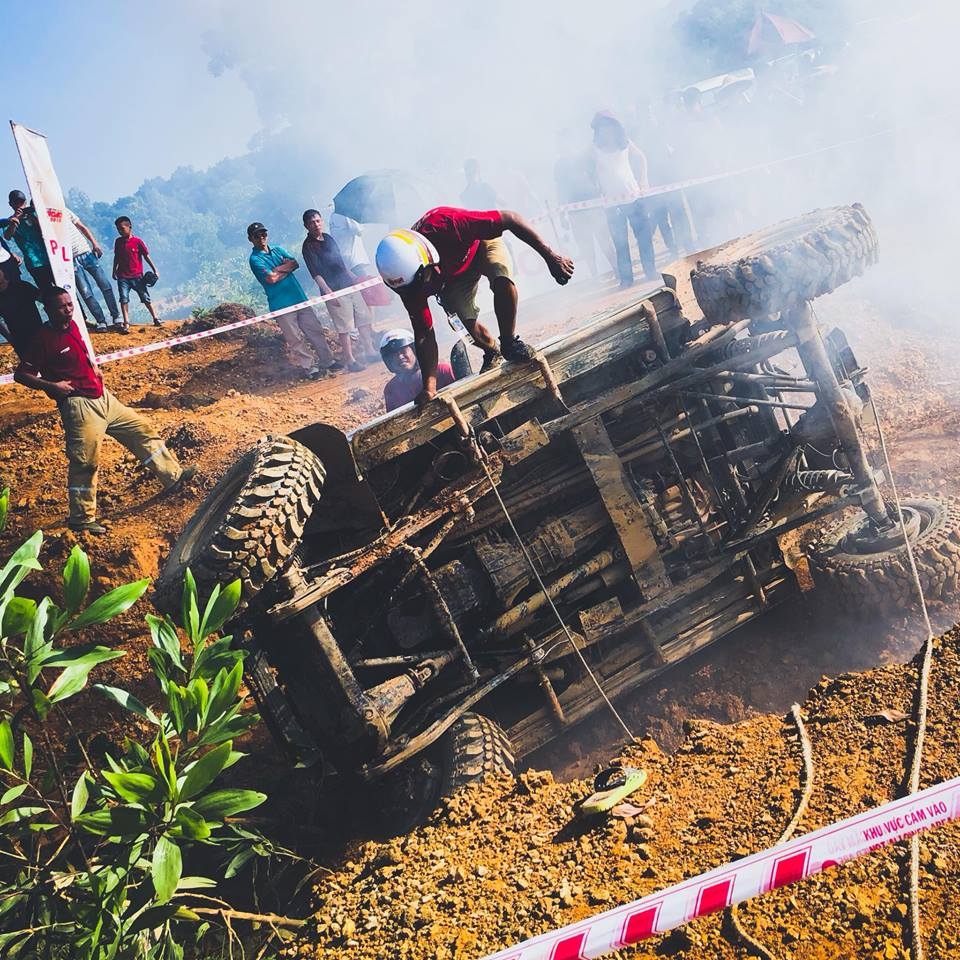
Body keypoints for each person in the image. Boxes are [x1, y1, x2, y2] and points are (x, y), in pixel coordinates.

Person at [13, 287, 196, 535]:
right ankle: (81, 518)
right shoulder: (43, 339)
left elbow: (81, 352)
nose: (68, 310)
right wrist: (52, 386)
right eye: (61, 307)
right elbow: (21, 374)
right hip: (79, 406)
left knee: (141, 430)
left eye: (70, 304)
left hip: (104, 397)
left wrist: (93, 367)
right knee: (85, 462)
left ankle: (172, 477)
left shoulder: (73, 325)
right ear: (47, 309)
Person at [375, 206, 573, 407]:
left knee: (501, 276)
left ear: (426, 259)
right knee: (465, 323)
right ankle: (492, 351)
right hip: (452, 278)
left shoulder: (446, 224)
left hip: (479, 248)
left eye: (421, 280)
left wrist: (551, 257)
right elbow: (424, 333)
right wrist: (429, 388)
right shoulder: (408, 286)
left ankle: (509, 342)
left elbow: (511, 218)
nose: (421, 289)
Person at [247, 221, 340, 380]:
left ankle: (327, 360)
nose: (261, 237)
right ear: (251, 239)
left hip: (299, 298)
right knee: (295, 338)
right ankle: (309, 367)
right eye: (257, 235)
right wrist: (284, 269)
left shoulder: (277, 249)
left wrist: (278, 270)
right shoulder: (255, 259)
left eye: (263, 233)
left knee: (315, 329)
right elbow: (270, 278)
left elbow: (294, 263)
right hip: (281, 304)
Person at [301, 209, 378, 372]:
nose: (316, 225)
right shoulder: (308, 247)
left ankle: (370, 350)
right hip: (334, 290)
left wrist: (354, 278)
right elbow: (316, 273)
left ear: (321, 221)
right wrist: (328, 293)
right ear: (306, 226)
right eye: (312, 222)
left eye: (317, 221)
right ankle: (350, 359)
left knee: (363, 317)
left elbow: (341, 262)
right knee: (345, 327)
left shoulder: (328, 238)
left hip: (348, 284)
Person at [590, 111, 657, 287]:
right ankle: (626, 280)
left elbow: (642, 158)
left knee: (644, 237)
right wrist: (597, 189)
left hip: (634, 198)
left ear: (615, 127)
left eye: (608, 126)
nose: (606, 131)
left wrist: (644, 179)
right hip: (612, 204)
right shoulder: (595, 149)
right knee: (620, 243)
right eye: (602, 128)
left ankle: (651, 272)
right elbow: (592, 174)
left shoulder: (625, 144)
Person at [553, 130, 616, 280]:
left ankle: (617, 269)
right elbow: (560, 189)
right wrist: (562, 213)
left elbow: (599, 176)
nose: (564, 146)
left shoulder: (584, 158)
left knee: (604, 241)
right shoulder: (560, 165)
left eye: (566, 142)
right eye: (561, 144)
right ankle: (595, 275)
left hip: (594, 206)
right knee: (585, 245)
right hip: (575, 211)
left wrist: (604, 198)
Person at [380, 328, 457, 413]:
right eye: (394, 355)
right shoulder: (392, 389)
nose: (400, 357)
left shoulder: (442, 371)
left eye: (403, 351)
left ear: (414, 351)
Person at [68, 207, 120, 332]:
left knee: (105, 285)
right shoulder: (43, 221)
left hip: (85, 251)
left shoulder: (63, 209)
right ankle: (100, 321)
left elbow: (82, 227)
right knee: (86, 292)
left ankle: (116, 316)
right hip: (70, 259)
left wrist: (95, 243)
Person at [112, 217, 163, 331]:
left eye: (122, 228)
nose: (120, 231)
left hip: (137, 276)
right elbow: (116, 256)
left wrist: (155, 269)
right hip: (123, 276)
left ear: (129, 227)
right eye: (118, 229)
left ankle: (155, 318)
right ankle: (126, 323)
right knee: (124, 298)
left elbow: (146, 256)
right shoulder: (118, 242)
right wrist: (114, 270)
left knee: (145, 297)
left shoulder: (138, 242)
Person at [3, 190, 53, 288]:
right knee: (47, 292)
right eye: (15, 202)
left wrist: (32, 216)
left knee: (65, 288)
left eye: (21, 202)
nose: (19, 205)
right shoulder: (10, 221)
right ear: (10, 204)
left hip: (51, 258)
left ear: (25, 202)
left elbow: (47, 229)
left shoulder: (34, 214)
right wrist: (15, 221)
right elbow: (7, 236)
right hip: (34, 264)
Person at [0, 267, 42, 357]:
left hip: (40, 334)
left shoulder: (22, 286)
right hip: (20, 341)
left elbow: (44, 300)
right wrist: (10, 338)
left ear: (2, 271)